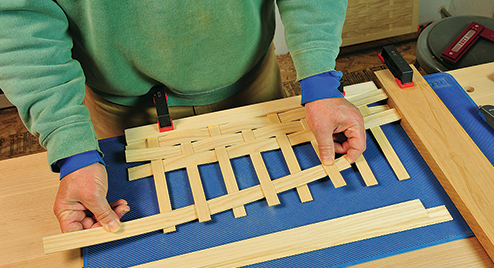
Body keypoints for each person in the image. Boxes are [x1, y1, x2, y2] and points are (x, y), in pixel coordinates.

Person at [0, 0, 365, 234]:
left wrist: (319, 81)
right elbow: (18, 21)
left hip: (253, 89)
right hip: (124, 111)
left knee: (293, 225)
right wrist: (72, 146)